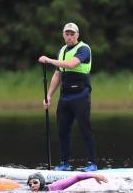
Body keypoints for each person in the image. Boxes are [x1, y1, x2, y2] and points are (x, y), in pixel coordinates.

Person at [38, 22, 97, 172]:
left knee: (85, 129)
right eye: (67, 33)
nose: (69, 36)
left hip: (81, 95)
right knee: (63, 130)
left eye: (72, 34)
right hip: (65, 97)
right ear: (63, 34)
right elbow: (58, 74)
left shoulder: (84, 49)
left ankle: (92, 164)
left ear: (77, 35)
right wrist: (48, 95)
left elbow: (71, 64)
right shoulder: (62, 50)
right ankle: (64, 163)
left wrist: (49, 60)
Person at [26, 172, 108, 192]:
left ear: (41, 182)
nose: (32, 185)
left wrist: (95, 175)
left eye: (35, 182)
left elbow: (77, 177)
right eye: (30, 184)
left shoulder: (54, 187)